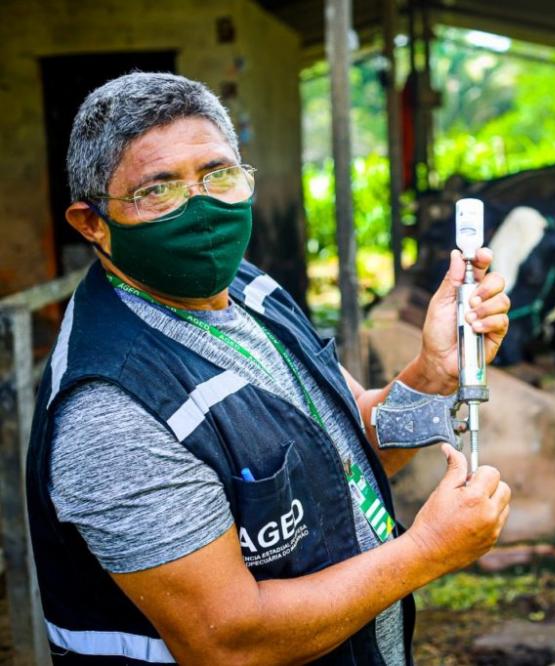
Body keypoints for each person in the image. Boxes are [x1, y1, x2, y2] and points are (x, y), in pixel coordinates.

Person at [25, 72, 512, 665]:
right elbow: (228, 643)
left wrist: (432, 370)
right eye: (158, 190)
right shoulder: (111, 411)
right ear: (92, 223)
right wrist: (428, 551)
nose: (200, 208)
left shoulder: (249, 288)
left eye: (218, 175)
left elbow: (344, 446)